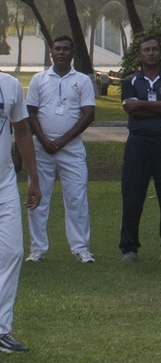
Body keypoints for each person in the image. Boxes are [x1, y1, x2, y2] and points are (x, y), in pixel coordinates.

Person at [25, 36, 96, 263]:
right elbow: (30, 111)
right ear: (51, 52)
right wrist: (44, 139)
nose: (61, 52)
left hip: (72, 148)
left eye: (66, 49)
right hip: (41, 147)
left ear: (72, 52)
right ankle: (37, 249)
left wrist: (63, 140)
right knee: (37, 197)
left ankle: (80, 249)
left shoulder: (83, 81)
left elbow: (89, 114)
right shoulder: (39, 79)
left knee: (76, 198)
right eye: (57, 49)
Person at [119, 35, 161, 262]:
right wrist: (160, 108)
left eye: (155, 49)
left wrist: (142, 104)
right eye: (147, 49)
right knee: (133, 196)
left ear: (160, 53)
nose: (151, 53)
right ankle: (129, 248)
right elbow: (131, 111)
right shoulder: (130, 82)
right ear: (140, 54)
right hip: (138, 143)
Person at [0, 70, 40, 353]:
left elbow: (22, 131)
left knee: (13, 252)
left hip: (4, 185)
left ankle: (2, 330)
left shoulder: (10, 85)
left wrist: (33, 178)